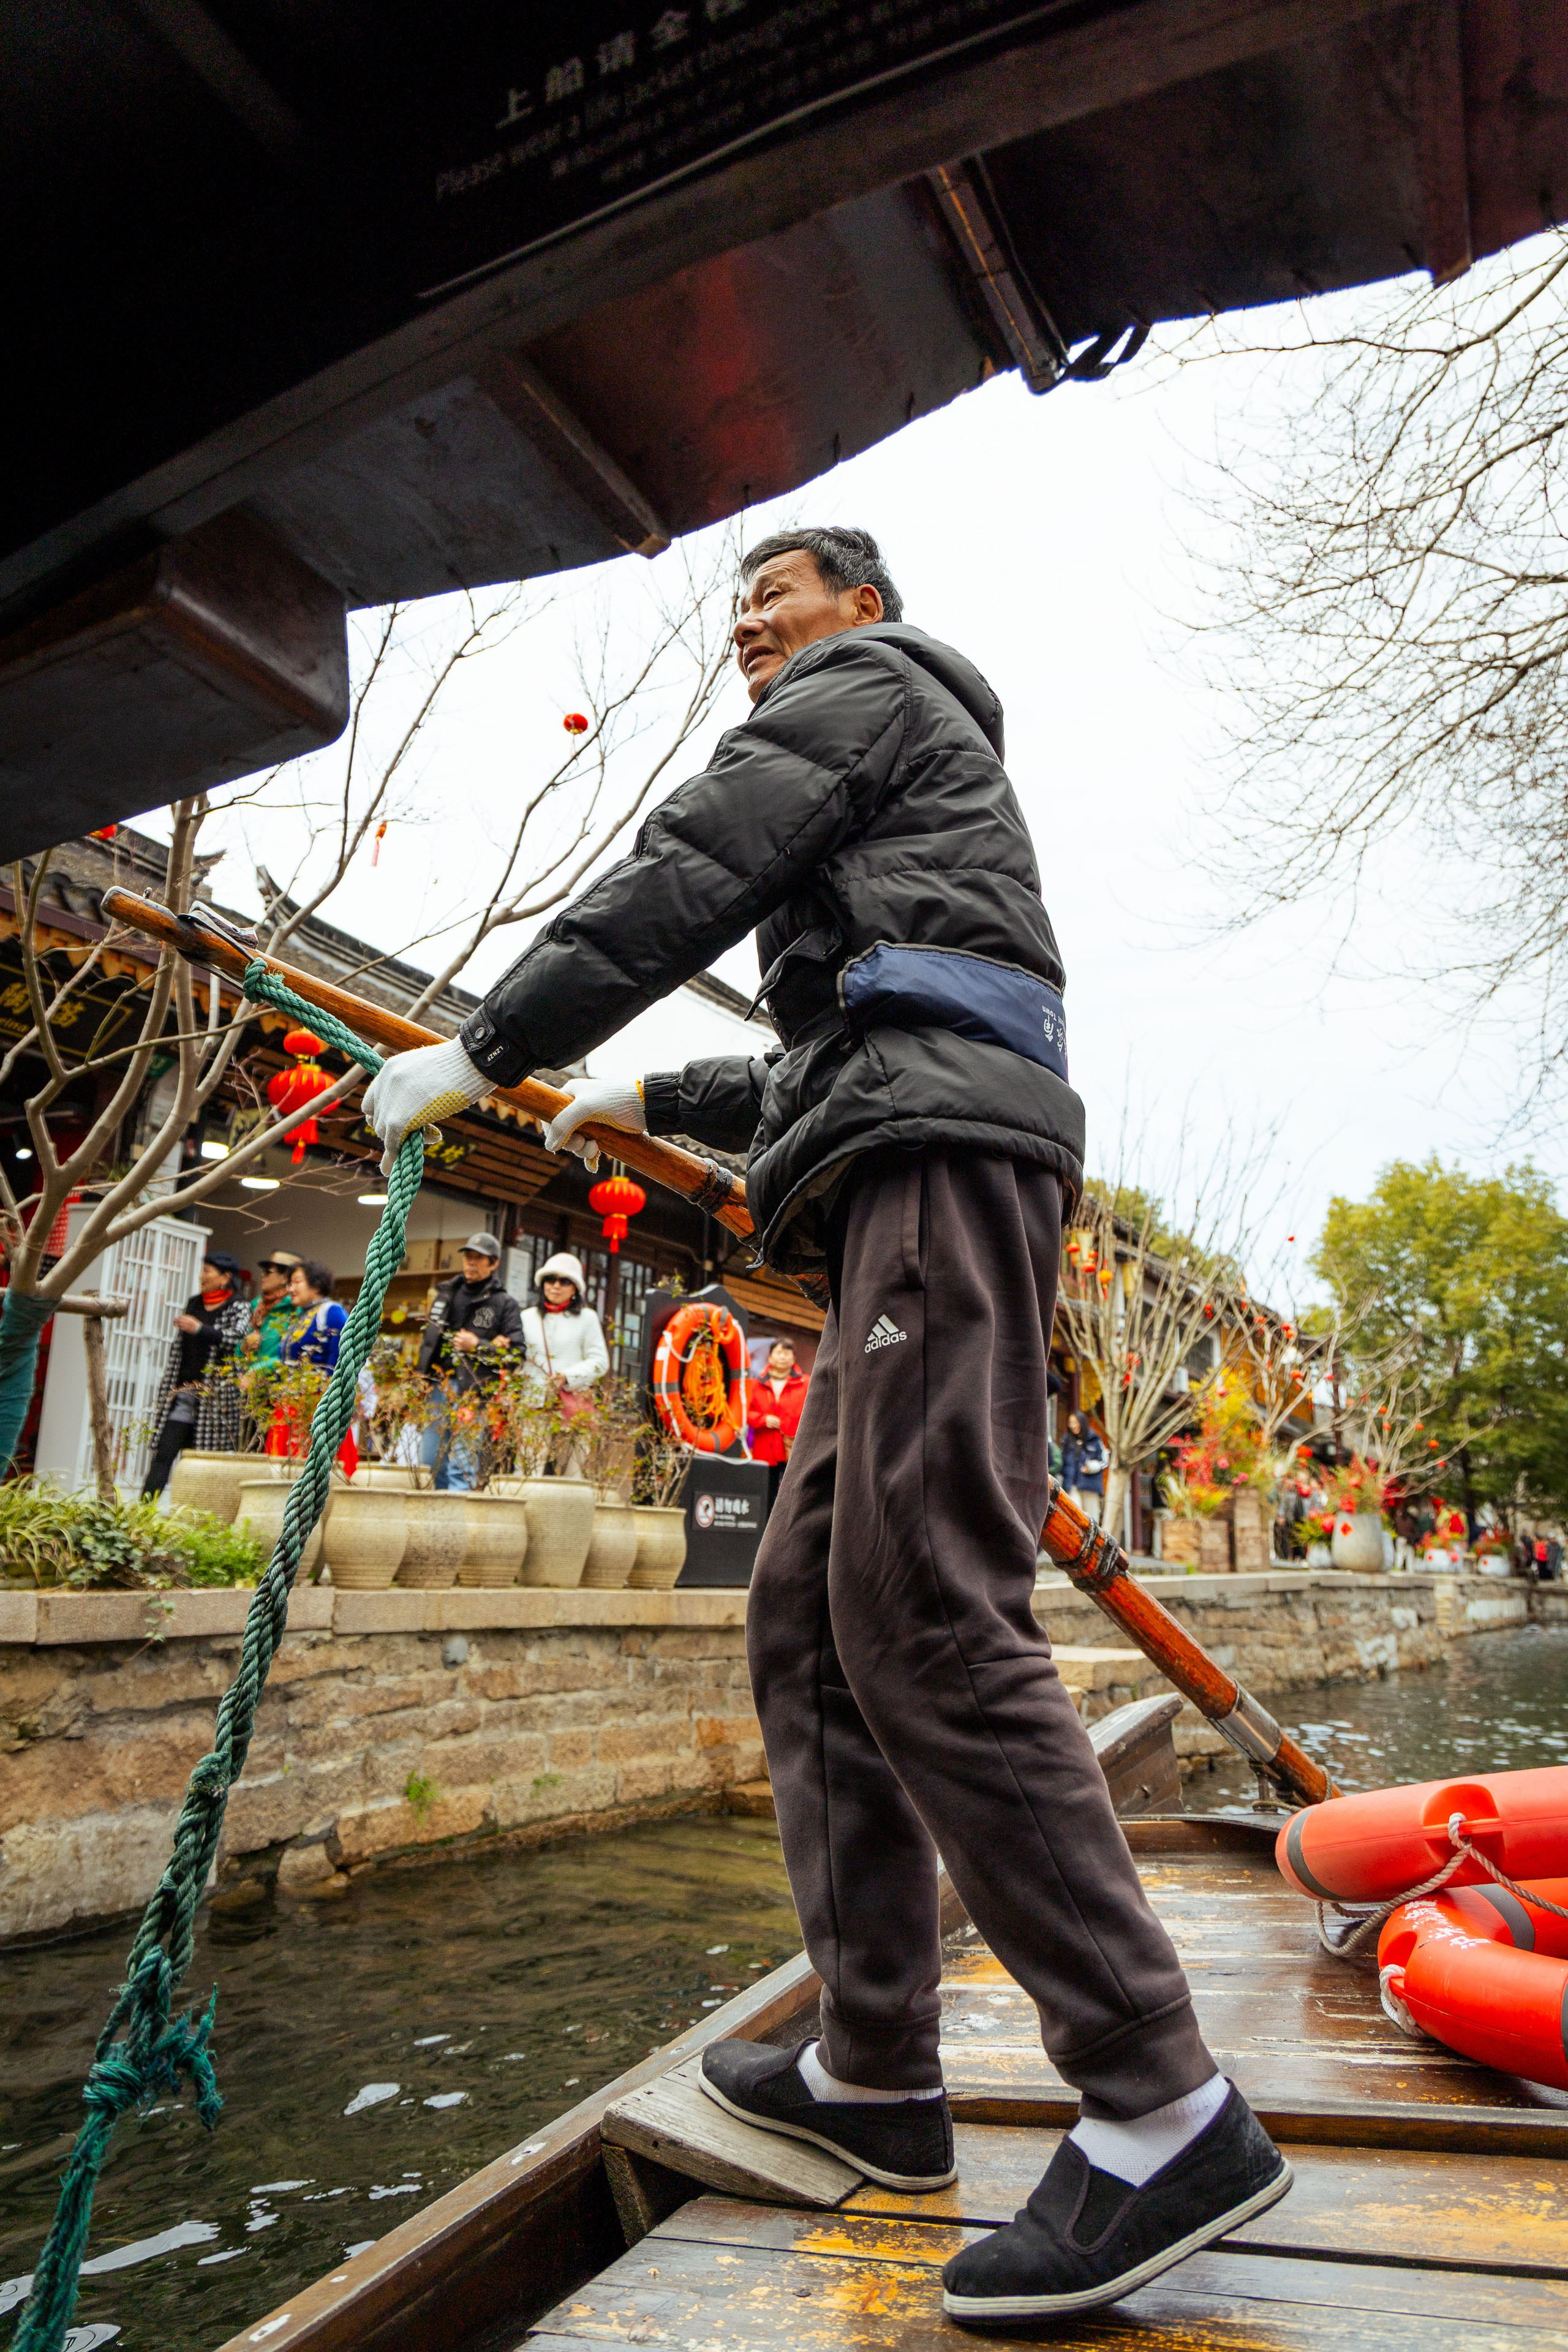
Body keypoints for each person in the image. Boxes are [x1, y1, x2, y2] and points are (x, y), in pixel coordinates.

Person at [362, 524, 1288, 2324]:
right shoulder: (895, 836)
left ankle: (1160, 2098)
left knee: (926, 1608)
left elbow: (689, 865)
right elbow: (815, 1061)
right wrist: (643, 1086)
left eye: (765, 598)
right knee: (803, 1613)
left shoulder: (867, 689)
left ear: (862, 603)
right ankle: (877, 2068)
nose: (742, 632)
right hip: (890, 1161)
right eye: (731, 615)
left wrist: (492, 1043)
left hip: (944, 1171)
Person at [417, 1232, 526, 1490]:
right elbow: (429, 1343)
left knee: (462, 1463)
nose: (471, 1264)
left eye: (479, 1259)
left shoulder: (504, 1304)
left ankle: (458, 1519)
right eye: (468, 1257)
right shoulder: (446, 1294)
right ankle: (441, 1510)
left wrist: (478, 1346)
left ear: (494, 1263)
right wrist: (421, 1379)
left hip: (474, 1392)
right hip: (437, 1387)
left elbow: (517, 1354)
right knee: (430, 1459)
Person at [142, 1251, 250, 1495]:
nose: (202, 1277)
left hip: (214, 1398)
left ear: (225, 1277)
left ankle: (194, 1515)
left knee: (203, 1463)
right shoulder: (194, 1302)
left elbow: (237, 1338)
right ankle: (143, 1512)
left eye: (207, 1271)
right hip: (183, 1392)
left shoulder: (239, 1305)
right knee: (164, 1453)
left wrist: (200, 1328)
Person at [518, 1251, 609, 1413]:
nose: (556, 1286)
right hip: (532, 1406)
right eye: (550, 1280)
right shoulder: (526, 1317)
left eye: (565, 1281)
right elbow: (517, 1357)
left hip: (572, 1406)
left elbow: (600, 1362)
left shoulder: (587, 1318)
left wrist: (568, 1377)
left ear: (575, 1288)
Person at [747, 1336, 809, 1505]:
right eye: (779, 1353)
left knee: (793, 1496)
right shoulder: (755, 1385)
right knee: (765, 1495)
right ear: (770, 1357)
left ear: (794, 1359)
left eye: (787, 1353)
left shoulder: (806, 1384)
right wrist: (762, 1419)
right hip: (765, 1451)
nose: (783, 1357)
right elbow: (744, 1413)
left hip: (795, 1449)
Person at [241, 1250, 303, 1364]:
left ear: (285, 1277)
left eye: (268, 1271)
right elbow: (238, 1347)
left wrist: (258, 1370)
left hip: (275, 1378)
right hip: (245, 1377)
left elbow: (290, 1355)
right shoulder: (256, 1305)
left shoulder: (295, 1309)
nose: (262, 1275)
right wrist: (245, 1346)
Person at [1061, 1409, 1109, 1523]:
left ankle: (1092, 1540)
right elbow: (1063, 1464)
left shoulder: (1095, 1440)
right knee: (1073, 1516)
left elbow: (1104, 1461)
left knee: (1092, 1519)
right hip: (1072, 1485)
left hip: (1090, 1485)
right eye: (1071, 1423)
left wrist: (1092, 1467)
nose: (1073, 1426)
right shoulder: (1067, 1440)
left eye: (1076, 1422)